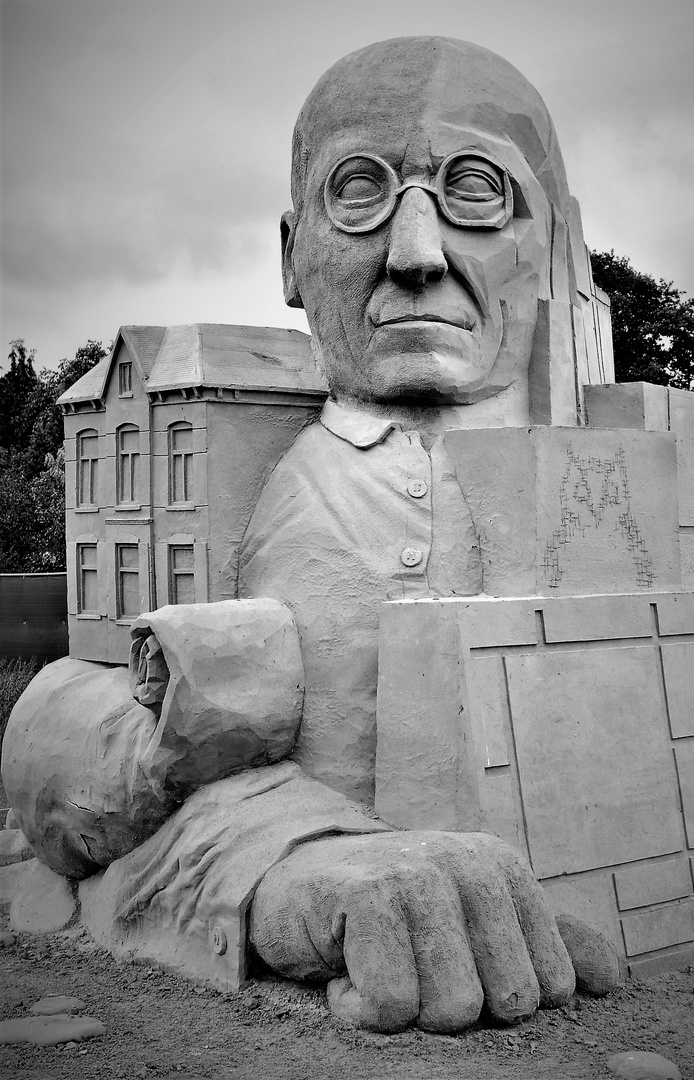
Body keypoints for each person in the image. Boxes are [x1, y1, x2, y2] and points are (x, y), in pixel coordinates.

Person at [2, 37, 619, 1034]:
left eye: (475, 189)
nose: (416, 257)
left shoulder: (626, 485)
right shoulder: (255, 470)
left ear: (557, 245)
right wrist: (286, 858)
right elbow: (63, 731)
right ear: (292, 256)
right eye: (359, 192)